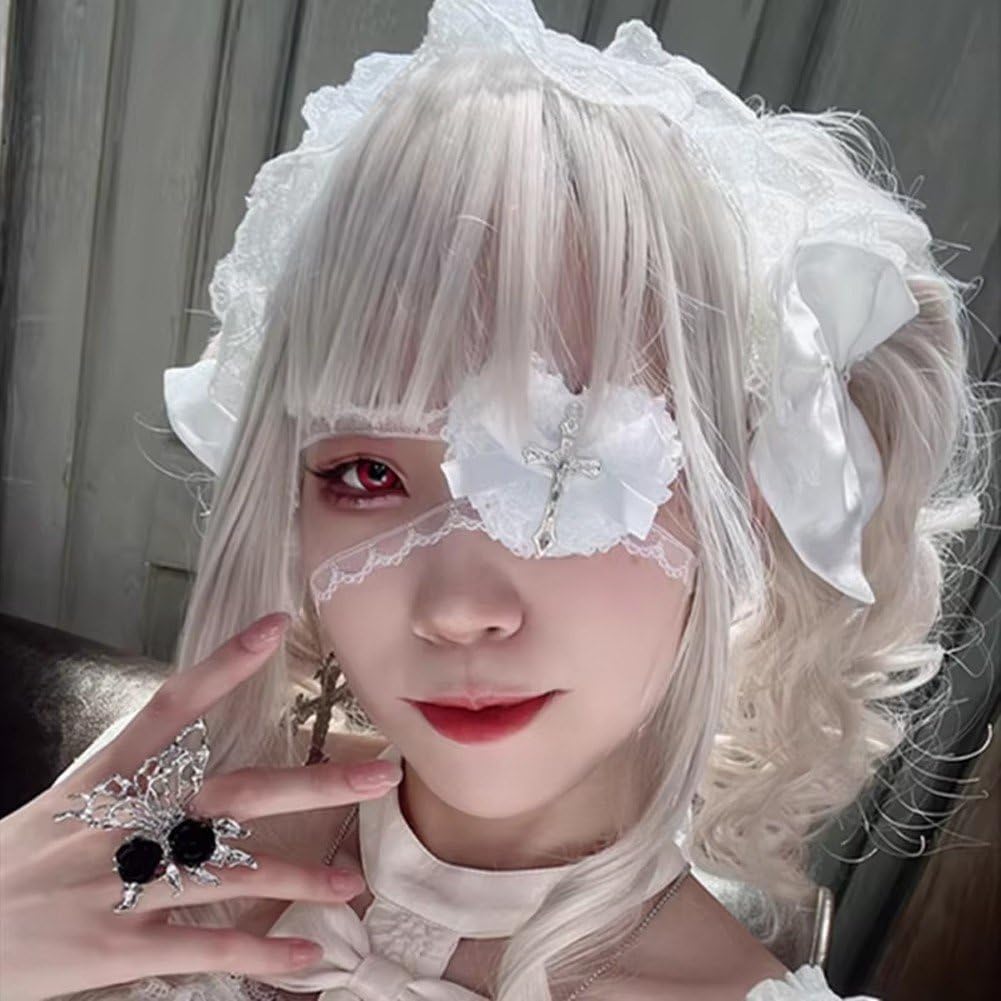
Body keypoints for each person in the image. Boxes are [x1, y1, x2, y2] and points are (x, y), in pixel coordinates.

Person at [0, 0, 992, 998]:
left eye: (562, 462)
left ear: (746, 497)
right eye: (366, 474)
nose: (456, 607)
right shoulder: (126, 848)